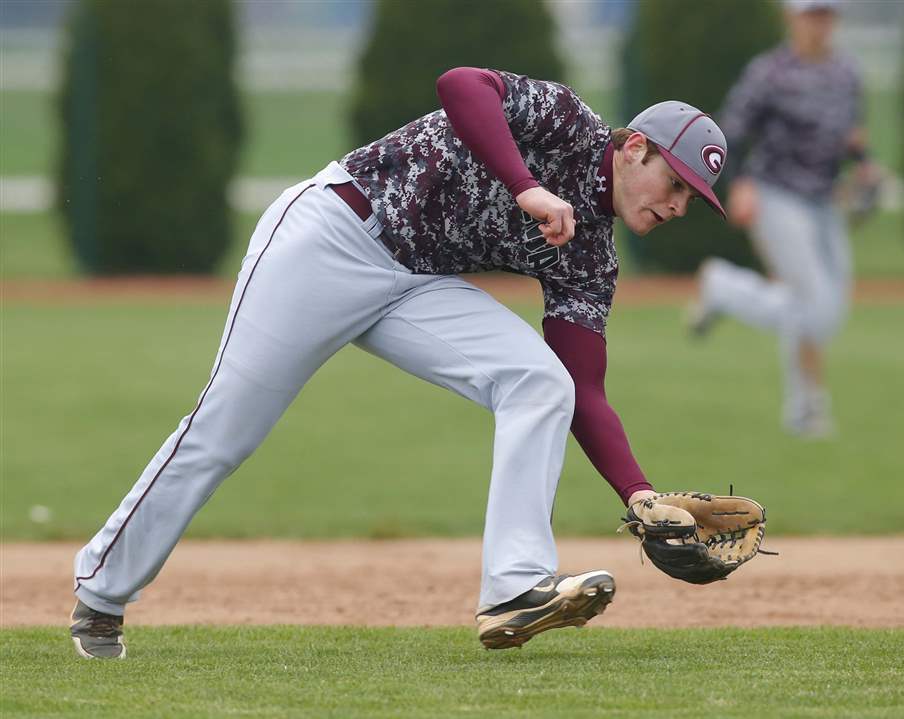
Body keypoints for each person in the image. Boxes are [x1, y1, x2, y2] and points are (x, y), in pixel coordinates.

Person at [69, 66, 730, 658]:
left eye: (691, 198)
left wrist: (639, 494)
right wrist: (526, 186)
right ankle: (101, 594)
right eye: (675, 182)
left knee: (539, 381)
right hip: (332, 235)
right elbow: (460, 85)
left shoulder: (592, 257)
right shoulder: (568, 122)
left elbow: (583, 387)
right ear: (636, 147)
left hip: (415, 283)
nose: (677, 205)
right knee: (224, 431)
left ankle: (515, 587)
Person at [687, 0, 880, 438]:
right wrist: (738, 184)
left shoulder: (846, 73)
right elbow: (728, 132)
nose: (820, 23)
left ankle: (725, 288)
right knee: (813, 304)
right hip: (776, 196)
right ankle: (808, 407)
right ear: (791, 18)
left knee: (828, 308)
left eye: (827, 14)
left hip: (824, 201)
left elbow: (851, 133)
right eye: (812, 14)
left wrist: (865, 164)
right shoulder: (769, 72)